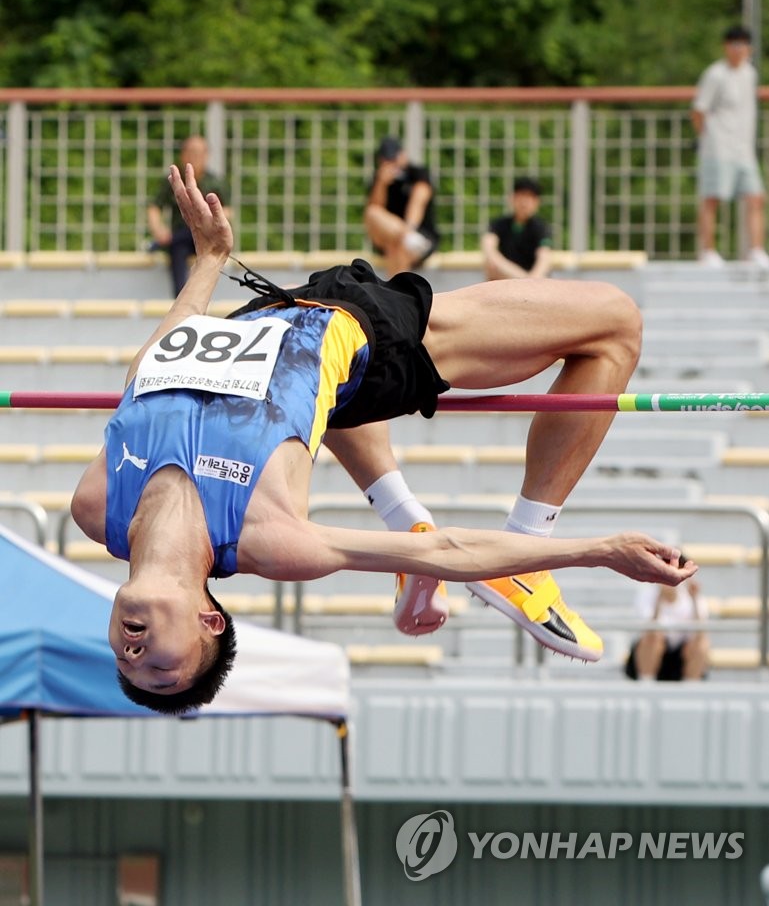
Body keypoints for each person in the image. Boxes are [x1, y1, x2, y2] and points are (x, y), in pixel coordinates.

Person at [71, 164, 697, 714]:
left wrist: (208, 263)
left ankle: (404, 512)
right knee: (615, 323)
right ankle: (530, 537)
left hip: (270, 314)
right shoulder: (271, 539)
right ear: (209, 621)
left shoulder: (99, 507)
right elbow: (447, 554)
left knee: (322, 406)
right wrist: (603, 549)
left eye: (127, 667)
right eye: (162, 669)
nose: (134, 657)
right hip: (369, 334)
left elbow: (147, 376)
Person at [691, 25, 769, 269]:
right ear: (726, 47)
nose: (739, 50)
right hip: (718, 147)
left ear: (750, 48)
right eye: (734, 44)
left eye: (743, 45)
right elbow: (698, 110)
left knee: (756, 198)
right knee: (712, 198)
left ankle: (756, 250)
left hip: (743, 148)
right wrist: (706, 136)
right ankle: (708, 251)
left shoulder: (750, 74)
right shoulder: (715, 74)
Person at [147, 135, 232, 296]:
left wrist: (212, 219)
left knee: (191, 230)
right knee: (178, 246)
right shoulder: (174, 181)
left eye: (199, 153)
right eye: (191, 152)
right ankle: (180, 297)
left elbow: (228, 211)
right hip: (182, 241)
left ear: (206, 156)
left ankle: (163, 243)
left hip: (209, 236)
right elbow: (154, 207)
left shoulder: (215, 182)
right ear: (183, 155)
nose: (195, 158)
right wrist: (158, 229)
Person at [364, 136, 440, 276]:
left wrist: (408, 229)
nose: (392, 164)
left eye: (394, 159)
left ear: (402, 155)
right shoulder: (378, 179)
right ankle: (408, 237)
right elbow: (374, 214)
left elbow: (419, 201)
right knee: (373, 212)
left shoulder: (417, 173)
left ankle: (407, 237)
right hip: (400, 238)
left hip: (420, 234)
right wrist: (382, 184)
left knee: (398, 248)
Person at [624, 577, 709, 681]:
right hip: (652, 655)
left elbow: (700, 634)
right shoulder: (647, 594)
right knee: (653, 639)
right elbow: (649, 632)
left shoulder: (693, 596)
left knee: (701, 643)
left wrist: (694, 599)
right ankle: (646, 684)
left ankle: (691, 687)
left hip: (680, 657)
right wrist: (659, 600)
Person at [482, 177, 553, 280]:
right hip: (508, 278)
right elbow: (489, 250)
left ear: (537, 202)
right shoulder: (499, 224)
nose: (524, 202)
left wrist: (532, 281)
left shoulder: (542, 227)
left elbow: (544, 257)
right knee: (491, 266)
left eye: (529, 198)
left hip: (534, 280)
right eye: (521, 196)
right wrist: (523, 279)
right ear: (513, 198)